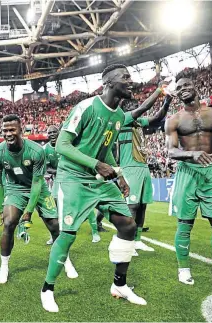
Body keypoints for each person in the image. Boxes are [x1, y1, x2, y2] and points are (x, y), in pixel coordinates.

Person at [41, 64, 146, 312]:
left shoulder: (119, 116)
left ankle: (119, 284)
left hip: (99, 179)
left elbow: (105, 150)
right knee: (67, 235)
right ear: (108, 83)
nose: (131, 82)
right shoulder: (86, 107)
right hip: (73, 178)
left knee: (128, 225)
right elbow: (62, 146)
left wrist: (117, 174)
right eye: (125, 77)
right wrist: (97, 165)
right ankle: (47, 288)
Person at [165, 74, 212, 286]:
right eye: (178, 88)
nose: (183, 89)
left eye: (186, 85)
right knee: (185, 224)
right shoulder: (174, 120)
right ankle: (184, 268)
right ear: (177, 94)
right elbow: (171, 151)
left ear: (195, 86)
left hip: (210, 174)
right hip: (187, 173)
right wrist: (191, 154)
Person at [0, 114, 78, 285]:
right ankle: (4, 266)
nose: (8, 134)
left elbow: (38, 182)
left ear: (21, 130)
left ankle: (66, 261)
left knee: (55, 226)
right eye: (5, 130)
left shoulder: (36, 151)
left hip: (39, 189)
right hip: (15, 189)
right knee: (8, 224)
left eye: (12, 130)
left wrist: (29, 211)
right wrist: (2, 208)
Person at [118, 86, 172, 253]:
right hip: (130, 167)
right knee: (132, 206)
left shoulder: (138, 123)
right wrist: (159, 90)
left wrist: (167, 101)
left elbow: (157, 117)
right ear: (126, 109)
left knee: (142, 206)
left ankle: (138, 240)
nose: (136, 109)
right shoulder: (124, 118)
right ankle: (126, 242)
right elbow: (144, 108)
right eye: (133, 107)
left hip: (142, 166)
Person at [43, 125, 101, 245]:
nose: (52, 134)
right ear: (47, 135)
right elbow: (48, 168)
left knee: (85, 204)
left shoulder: (68, 144)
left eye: (54, 132)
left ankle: (95, 232)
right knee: (54, 207)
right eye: (49, 133)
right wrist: (62, 171)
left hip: (75, 177)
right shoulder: (46, 149)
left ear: (59, 133)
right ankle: (53, 235)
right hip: (58, 180)